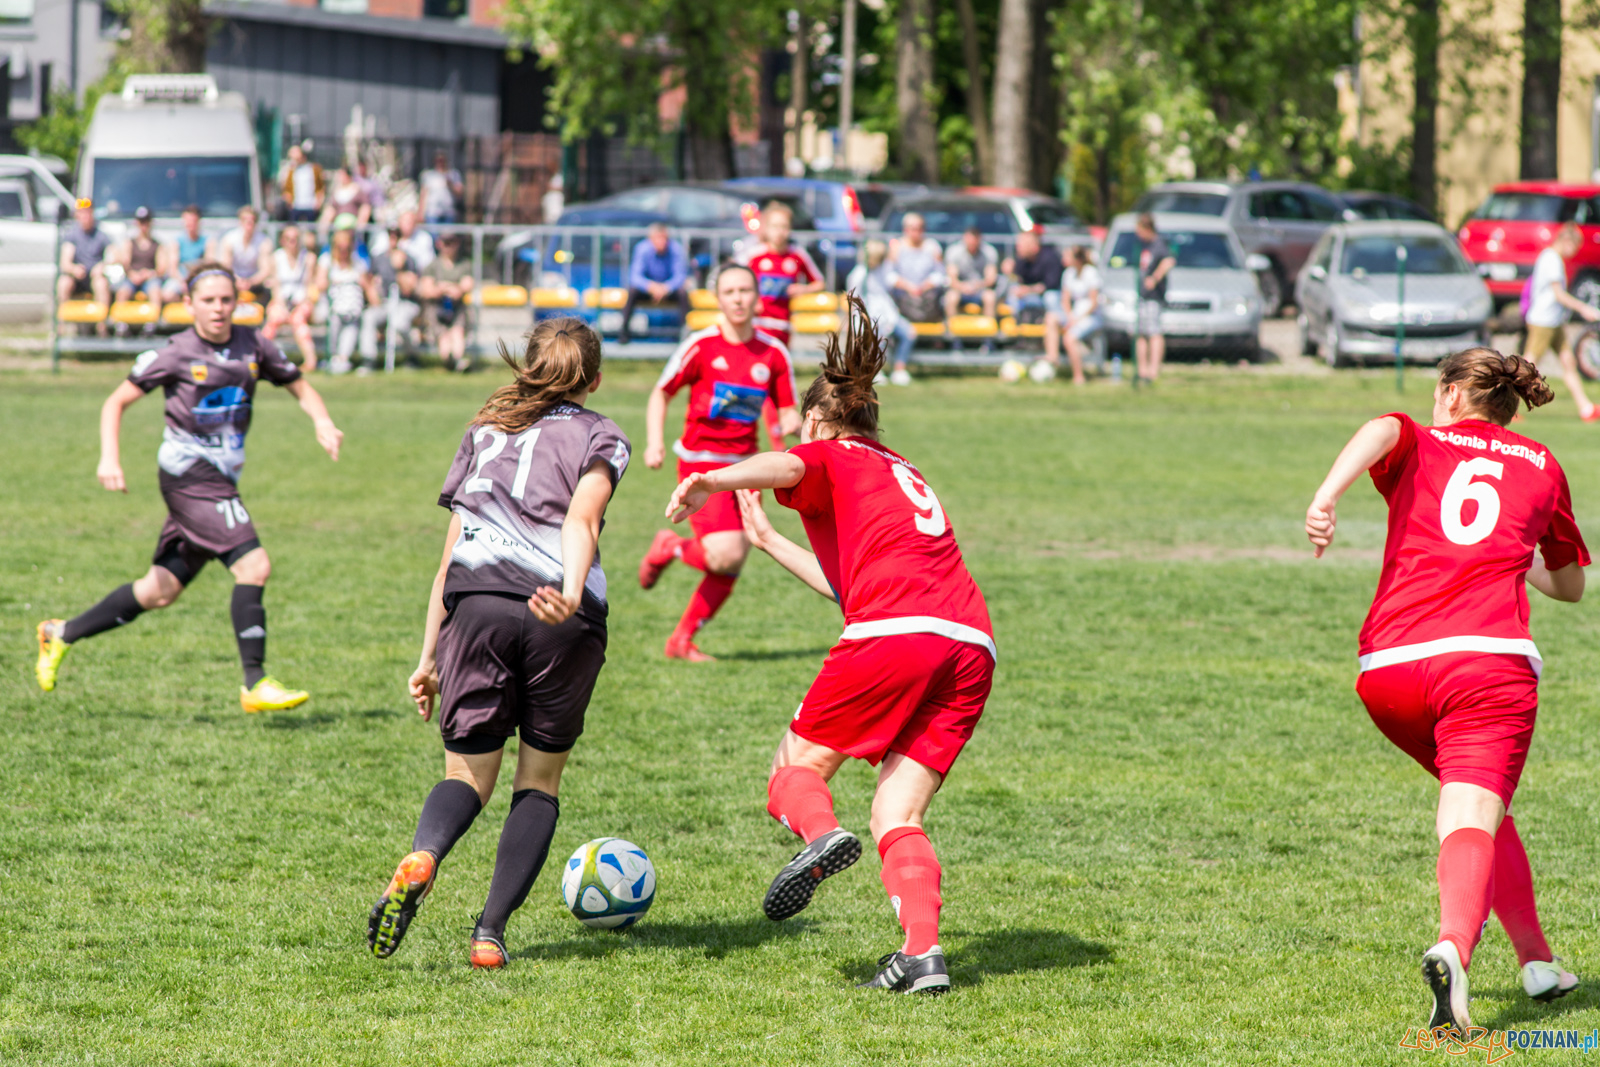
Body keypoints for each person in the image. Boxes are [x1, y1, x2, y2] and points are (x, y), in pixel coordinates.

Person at [663, 300, 994, 996]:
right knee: (896, 813)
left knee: (794, 769)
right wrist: (771, 542)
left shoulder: (828, 451)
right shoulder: (896, 465)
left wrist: (711, 480)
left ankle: (817, 835)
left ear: (816, 420)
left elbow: (785, 464)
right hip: (969, 642)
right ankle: (923, 955)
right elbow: (855, 587)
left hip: (897, 632)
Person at [1304, 348, 1587, 1035]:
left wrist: (1326, 495)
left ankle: (1538, 962)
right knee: (1469, 813)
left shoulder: (1422, 441)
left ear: (1454, 394)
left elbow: (1383, 426)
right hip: (1486, 671)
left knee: (1483, 813)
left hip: (1390, 671)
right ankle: (1452, 948)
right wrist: (1511, 557)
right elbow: (1573, 583)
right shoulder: (1542, 465)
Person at [368, 317, 630, 970]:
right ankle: (489, 931)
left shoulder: (486, 431)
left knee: (466, 775)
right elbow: (583, 516)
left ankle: (424, 854)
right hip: (559, 616)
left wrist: (427, 659)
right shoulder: (601, 433)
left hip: (475, 605)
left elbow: (448, 556)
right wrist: (568, 592)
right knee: (537, 781)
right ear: (594, 381)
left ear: (528, 370)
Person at [34, 261, 343, 712]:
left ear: (236, 302)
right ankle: (254, 683)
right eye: (208, 300)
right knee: (254, 566)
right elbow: (115, 402)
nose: (218, 309)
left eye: (226, 300)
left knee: (159, 590)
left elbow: (298, 384)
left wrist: (323, 422)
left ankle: (59, 634)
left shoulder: (253, 346)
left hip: (219, 477)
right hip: (189, 475)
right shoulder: (175, 352)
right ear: (189, 305)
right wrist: (109, 457)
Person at [638, 263, 799, 661]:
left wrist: (802, 427)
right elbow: (662, 393)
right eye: (730, 292)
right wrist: (654, 443)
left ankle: (681, 641)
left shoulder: (774, 353)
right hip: (700, 465)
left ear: (758, 296)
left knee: (733, 561)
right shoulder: (701, 345)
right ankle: (670, 546)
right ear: (718, 299)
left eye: (745, 290)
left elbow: (788, 410)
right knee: (726, 553)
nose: (739, 298)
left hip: (746, 468)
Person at [737, 201, 821, 449]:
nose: (780, 231)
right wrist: (752, 301)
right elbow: (734, 277)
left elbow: (819, 281)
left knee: (775, 382)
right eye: (775, 226)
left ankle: (784, 426)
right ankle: (776, 436)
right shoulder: (754, 255)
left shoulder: (796, 256)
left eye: (785, 226)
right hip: (759, 326)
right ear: (765, 227)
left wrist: (801, 288)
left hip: (783, 327)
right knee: (761, 379)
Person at [1521, 222, 1600, 421]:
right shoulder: (1551, 259)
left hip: (1554, 321)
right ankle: (1508, 405)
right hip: (1543, 320)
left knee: (1568, 362)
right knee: (1528, 365)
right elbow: (1559, 295)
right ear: (1566, 240)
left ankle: (1585, 408)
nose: (1574, 253)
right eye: (1574, 247)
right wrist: (1583, 308)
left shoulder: (1553, 258)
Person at [313, 215, 379, 375]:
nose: (343, 252)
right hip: (333, 309)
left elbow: (371, 292)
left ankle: (342, 359)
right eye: (340, 248)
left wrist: (372, 297)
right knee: (334, 322)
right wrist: (334, 282)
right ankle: (332, 358)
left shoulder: (358, 263)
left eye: (347, 248)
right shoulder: (327, 261)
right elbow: (318, 285)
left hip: (352, 311)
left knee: (352, 327)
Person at [846, 239, 916, 385]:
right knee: (879, 335)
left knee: (908, 332)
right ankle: (875, 370)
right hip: (868, 316)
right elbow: (853, 300)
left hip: (887, 314)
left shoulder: (884, 269)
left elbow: (893, 279)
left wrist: (910, 287)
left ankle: (899, 369)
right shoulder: (858, 275)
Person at [360, 230, 423, 373]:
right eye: (391, 236)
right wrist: (372, 293)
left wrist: (399, 270)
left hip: (404, 302)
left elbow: (409, 289)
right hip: (384, 302)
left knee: (399, 322)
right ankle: (368, 359)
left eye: (397, 236)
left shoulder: (409, 259)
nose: (393, 240)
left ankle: (412, 356)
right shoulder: (378, 258)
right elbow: (369, 281)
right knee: (369, 317)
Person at [620, 223, 691, 344]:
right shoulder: (642, 249)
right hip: (648, 290)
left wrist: (666, 288)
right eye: (658, 238)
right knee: (632, 291)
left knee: (683, 293)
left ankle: (685, 332)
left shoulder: (676, 249)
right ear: (650, 239)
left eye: (664, 238)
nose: (661, 242)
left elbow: (680, 276)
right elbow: (634, 276)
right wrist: (650, 286)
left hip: (668, 290)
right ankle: (624, 331)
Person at [262, 225, 318, 371]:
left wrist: (300, 304)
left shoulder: (308, 258)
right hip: (281, 301)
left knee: (298, 319)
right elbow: (275, 286)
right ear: (282, 241)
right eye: (288, 239)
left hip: (302, 302)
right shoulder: (276, 258)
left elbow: (309, 285)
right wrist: (281, 305)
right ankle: (260, 357)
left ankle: (310, 361)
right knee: (274, 319)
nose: (292, 242)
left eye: (295, 239)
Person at [420, 233, 475, 372]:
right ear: (439, 244)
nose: (449, 247)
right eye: (446, 242)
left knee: (457, 332)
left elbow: (467, 285)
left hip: (456, 308)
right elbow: (426, 290)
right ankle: (451, 362)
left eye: (452, 242)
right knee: (443, 337)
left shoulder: (464, 264)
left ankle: (458, 360)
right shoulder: (433, 266)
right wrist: (442, 289)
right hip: (437, 307)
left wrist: (451, 288)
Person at [1000, 228, 1063, 351]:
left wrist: (1027, 290)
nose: (1018, 248)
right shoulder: (1021, 260)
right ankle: (1016, 338)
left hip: (1049, 297)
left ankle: (1058, 334)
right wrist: (1009, 271)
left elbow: (1050, 285)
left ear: (1034, 247)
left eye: (1021, 245)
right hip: (1030, 298)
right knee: (1012, 295)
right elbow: (1018, 281)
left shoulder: (1050, 258)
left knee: (1051, 298)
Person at [1132, 213, 1175, 385]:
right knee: (1141, 333)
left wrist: (1155, 278)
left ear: (1147, 228)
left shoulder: (1158, 244)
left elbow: (1169, 261)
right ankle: (1142, 370)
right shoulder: (1144, 245)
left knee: (1154, 332)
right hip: (1142, 296)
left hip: (1154, 297)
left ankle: (1153, 370)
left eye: (1139, 230)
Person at [57, 198, 112, 314]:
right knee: (64, 282)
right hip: (77, 278)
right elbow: (65, 263)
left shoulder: (100, 235)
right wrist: (74, 269)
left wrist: (102, 266)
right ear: (77, 215)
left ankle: (101, 325)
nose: (85, 216)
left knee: (101, 283)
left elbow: (114, 255)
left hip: (94, 276)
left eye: (87, 212)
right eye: (82, 212)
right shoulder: (72, 235)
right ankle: (62, 324)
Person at [1058, 245, 1103, 386]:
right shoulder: (1068, 274)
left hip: (1091, 316)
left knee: (1069, 339)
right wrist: (1070, 316)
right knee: (1051, 320)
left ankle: (1078, 376)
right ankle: (1053, 362)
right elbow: (1065, 300)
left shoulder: (1091, 273)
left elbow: (1094, 302)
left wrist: (1077, 319)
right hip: (1075, 315)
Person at [888, 212, 944, 324]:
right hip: (903, 297)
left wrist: (924, 286)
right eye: (913, 229)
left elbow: (941, 274)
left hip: (928, 298)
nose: (917, 232)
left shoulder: (932, 246)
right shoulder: (896, 247)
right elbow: (889, 276)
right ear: (905, 229)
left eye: (920, 228)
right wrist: (908, 287)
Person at [112, 206, 167, 314]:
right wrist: (132, 274)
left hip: (150, 277)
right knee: (122, 292)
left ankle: (152, 321)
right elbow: (125, 263)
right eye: (141, 222)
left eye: (146, 222)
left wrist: (149, 274)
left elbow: (162, 268)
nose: (144, 225)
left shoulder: (157, 245)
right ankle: (120, 321)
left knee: (155, 291)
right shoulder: (130, 243)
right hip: (132, 277)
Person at [941, 226, 999, 326]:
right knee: (950, 298)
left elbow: (991, 279)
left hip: (980, 289)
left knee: (990, 297)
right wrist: (963, 287)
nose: (971, 243)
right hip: (960, 288)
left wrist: (976, 286)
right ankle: (954, 336)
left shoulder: (989, 252)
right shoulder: (954, 252)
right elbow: (952, 278)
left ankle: (987, 337)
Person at [218, 206, 273, 303]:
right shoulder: (229, 239)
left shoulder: (264, 241)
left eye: (252, 220)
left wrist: (250, 282)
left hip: (256, 283)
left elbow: (265, 269)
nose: (249, 223)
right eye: (245, 220)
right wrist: (238, 281)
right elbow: (226, 266)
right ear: (240, 222)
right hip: (234, 280)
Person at [163, 205, 211, 302]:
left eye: (193, 221)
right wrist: (183, 282)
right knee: (167, 295)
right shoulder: (177, 242)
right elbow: (173, 268)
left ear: (198, 222)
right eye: (187, 221)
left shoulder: (207, 242)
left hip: (200, 278)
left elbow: (209, 265)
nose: (190, 224)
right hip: (180, 279)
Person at [318, 167, 371, 246]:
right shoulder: (336, 192)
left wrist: (360, 225)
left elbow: (365, 208)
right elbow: (330, 210)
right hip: (338, 228)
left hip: (353, 229)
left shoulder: (358, 190)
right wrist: (324, 225)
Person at [281, 143, 325, 224]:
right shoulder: (291, 171)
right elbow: (286, 188)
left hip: (310, 206)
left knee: (310, 230)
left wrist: (318, 202)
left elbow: (320, 187)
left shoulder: (314, 169)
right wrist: (289, 201)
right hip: (296, 205)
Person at [420, 151, 464, 225]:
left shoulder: (453, 174)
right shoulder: (428, 175)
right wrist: (420, 213)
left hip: (448, 213)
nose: (440, 163)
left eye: (442, 161)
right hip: (432, 213)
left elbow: (460, 193)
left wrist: (451, 185)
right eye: (438, 161)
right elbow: (423, 195)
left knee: (448, 236)